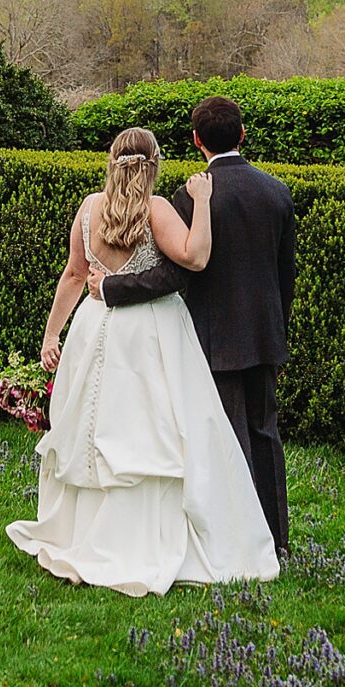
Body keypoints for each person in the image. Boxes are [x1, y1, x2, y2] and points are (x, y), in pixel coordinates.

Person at [6, 127, 280, 593]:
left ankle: (85, 535)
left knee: (96, 427)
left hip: (94, 329)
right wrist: (204, 201)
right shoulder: (156, 210)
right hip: (150, 332)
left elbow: (73, 275)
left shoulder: (90, 208)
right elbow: (195, 258)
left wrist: (52, 334)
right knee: (153, 430)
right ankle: (150, 539)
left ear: (111, 161)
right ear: (153, 164)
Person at [93, 96, 298, 560]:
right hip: (265, 335)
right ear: (243, 134)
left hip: (211, 335)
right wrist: (276, 329)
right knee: (265, 434)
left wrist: (111, 287)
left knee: (222, 438)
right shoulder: (277, 192)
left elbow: (175, 273)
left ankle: (234, 538)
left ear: (196, 141)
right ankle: (276, 538)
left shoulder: (189, 197)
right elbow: (285, 276)